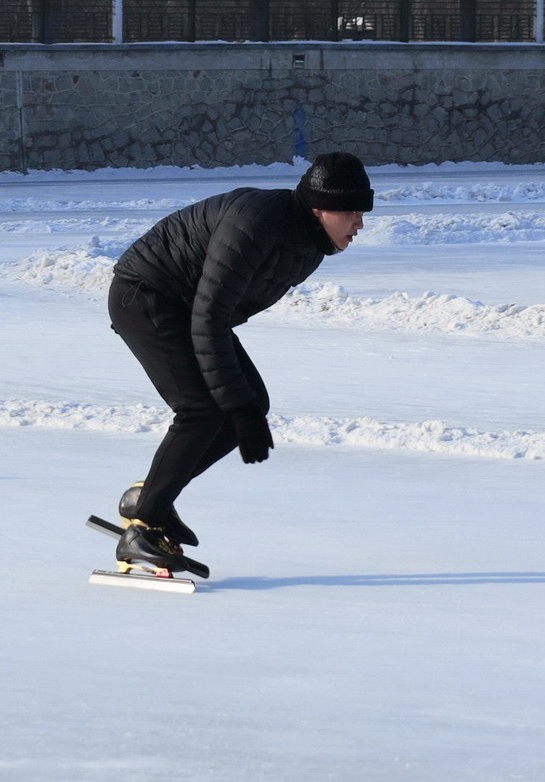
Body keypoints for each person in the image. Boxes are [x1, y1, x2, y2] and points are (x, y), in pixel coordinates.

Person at [106, 152, 374, 573]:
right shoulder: (257, 223)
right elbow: (210, 313)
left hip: (190, 308)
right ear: (320, 206)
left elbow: (218, 311)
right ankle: (140, 529)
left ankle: (149, 499)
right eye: (353, 212)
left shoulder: (310, 246)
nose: (360, 223)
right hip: (147, 295)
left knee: (249, 405)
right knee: (201, 410)